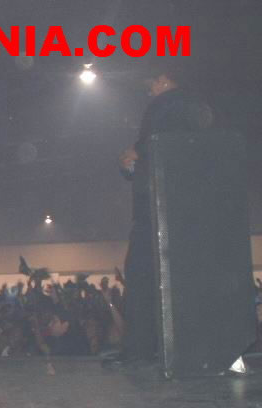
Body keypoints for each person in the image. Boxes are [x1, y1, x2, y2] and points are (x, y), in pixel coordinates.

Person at [117, 62, 216, 363]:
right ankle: (173, 348)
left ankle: (142, 349)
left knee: (143, 275)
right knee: (167, 277)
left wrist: (136, 155)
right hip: (178, 207)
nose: (150, 90)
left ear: (164, 79)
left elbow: (163, 146)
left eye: (153, 83)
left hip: (159, 208)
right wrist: (134, 159)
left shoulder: (169, 105)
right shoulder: (193, 110)